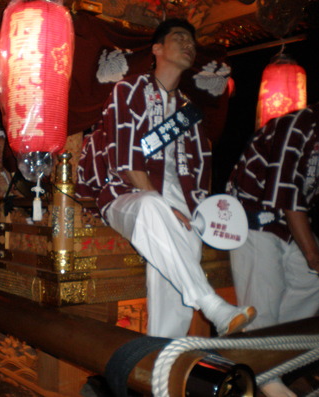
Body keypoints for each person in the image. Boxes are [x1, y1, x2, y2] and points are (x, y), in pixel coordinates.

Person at [76, 18, 256, 338]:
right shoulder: (129, 89)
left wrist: (206, 217)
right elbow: (124, 159)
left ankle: (162, 360)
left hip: (178, 200)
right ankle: (212, 306)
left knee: (174, 265)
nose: (189, 45)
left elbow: (200, 175)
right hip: (124, 194)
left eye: (192, 41)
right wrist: (162, 204)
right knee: (151, 209)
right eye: (179, 38)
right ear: (157, 49)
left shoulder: (189, 111)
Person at [227, 103, 319, 397]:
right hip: (251, 214)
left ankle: (274, 352)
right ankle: (264, 370)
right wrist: (313, 254)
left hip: (287, 224)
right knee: (262, 293)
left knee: (311, 281)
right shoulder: (300, 124)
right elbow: (287, 193)